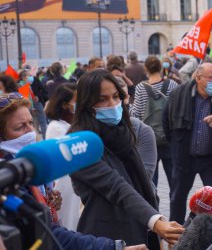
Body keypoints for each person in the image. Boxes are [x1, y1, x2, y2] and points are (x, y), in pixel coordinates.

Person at [0, 92, 150, 250]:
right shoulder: (9, 179)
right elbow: (47, 232)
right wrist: (112, 247)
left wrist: (45, 204)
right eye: (20, 127)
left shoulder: (29, 168)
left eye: (31, 123)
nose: (30, 131)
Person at [68, 69, 184, 247]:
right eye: (102, 99)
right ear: (86, 104)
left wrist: (156, 223)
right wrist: (155, 222)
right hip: (107, 236)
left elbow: (144, 181)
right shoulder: (78, 143)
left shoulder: (122, 130)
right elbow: (117, 186)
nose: (112, 104)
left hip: (141, 226)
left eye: (115, 96)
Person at [163, 63, 212, 226]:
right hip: (185, 158)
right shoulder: (179, 94)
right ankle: (174, 235)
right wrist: (177, 147)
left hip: (211, 160)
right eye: (211, 78)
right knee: (177, 197)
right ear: (198, 78)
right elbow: (166, 122)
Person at [131, 55, 178, 196]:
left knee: (150, 180)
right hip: (169, 138)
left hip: (148, 139)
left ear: (146, 69)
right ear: (162, 68)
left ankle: (154, 211)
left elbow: (137, 115)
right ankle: (174, 208)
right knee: (173, 179)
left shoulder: (140, 88)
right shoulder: (172, 85)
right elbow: (176, 111)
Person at [45, 83, 81, 231]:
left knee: (74, 221)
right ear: (65, 104)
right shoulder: (56, 127)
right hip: (64, 184)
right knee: (66, 223)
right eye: (76, 100)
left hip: (73, 182)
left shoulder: (68, 124)